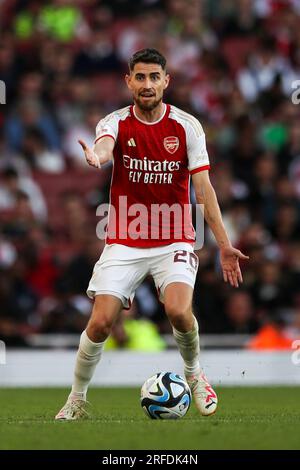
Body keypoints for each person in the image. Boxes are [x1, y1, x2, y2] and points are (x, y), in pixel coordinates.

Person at [55, 48, 248, 420]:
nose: (147, 84)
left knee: (178, 310)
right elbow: (105, 145)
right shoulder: (115, 122)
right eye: (139, 77)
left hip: (174, 237)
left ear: (166, 82)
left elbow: (204, 191)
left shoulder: (187, 127)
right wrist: (98, 156)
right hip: (125, 239)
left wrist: (224, 246)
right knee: (99, 323)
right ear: (128, 81)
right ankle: (76, 399)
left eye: (154, 77)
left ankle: (195, 375)